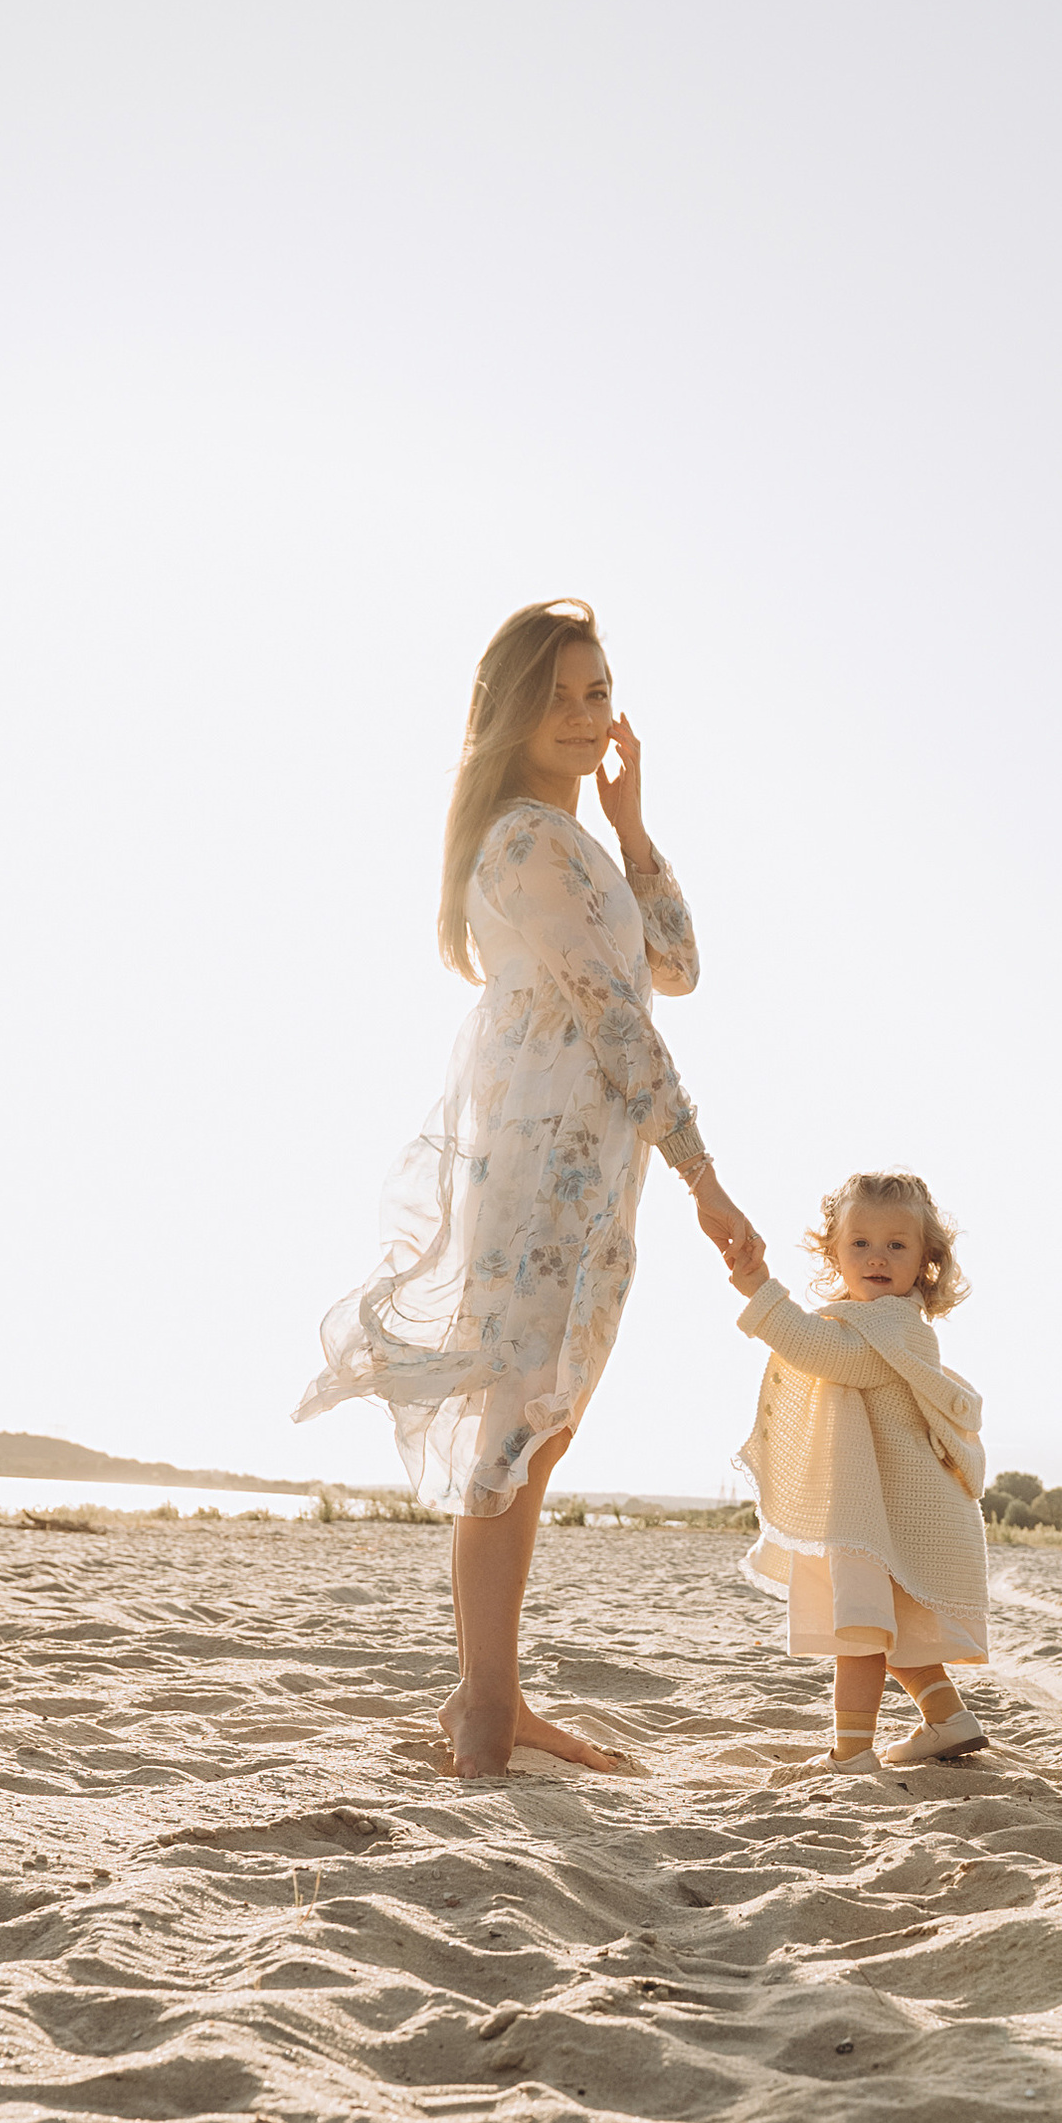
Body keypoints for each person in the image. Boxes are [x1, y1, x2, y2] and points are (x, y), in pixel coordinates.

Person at [298, 598, 763, 1778]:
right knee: (514, 1435)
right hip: (547, 1152)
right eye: (555, 695)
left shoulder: (583, 842)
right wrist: (708, 1180)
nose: (578, 714)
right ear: (505, 712)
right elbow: (619, 1020)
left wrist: (636, 822)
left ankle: (487, 1698)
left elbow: (679, 968)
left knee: (538, 1437)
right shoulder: (516, 841)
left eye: (596, 693)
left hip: (592, 1162)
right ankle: (488, 1710)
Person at [726, 1172, 990, 1767]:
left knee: (863, 1632)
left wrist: (761, 1291)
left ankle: (850, 1753)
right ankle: (948, 1719)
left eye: (898, 1245)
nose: (878, 1257)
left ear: (926, 1260)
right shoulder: (869, 1321)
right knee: (887, 1624)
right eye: (861, 1243)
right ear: (834, 1252)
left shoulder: (893, 1325)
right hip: (886, 1509)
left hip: (883, 1515)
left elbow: (828, 1356)